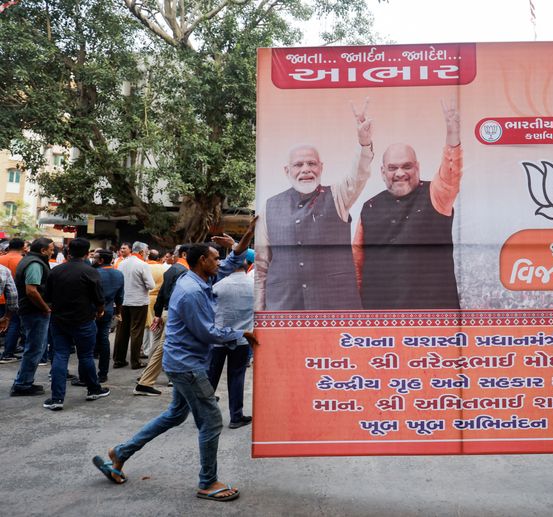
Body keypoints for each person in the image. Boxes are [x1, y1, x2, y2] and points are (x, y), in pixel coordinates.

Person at [93, 218, 258, 502]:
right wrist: (241, 333)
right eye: (216, 258)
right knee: (212, 421)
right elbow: (209, 332)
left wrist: (246, 237)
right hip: (187, 366)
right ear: (203, 260)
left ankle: (120, 453)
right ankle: (207, 482)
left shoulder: (201, 278)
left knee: (175, 415)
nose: (221, 263)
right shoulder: (192, 290)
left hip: (183, 361)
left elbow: (234, 260)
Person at [254, 100, 373, 311]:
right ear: (287, 170)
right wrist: (259, 316)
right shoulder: (270, 207)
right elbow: (262, 266)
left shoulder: (338, 195)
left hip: (335, 309)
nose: (306, 169)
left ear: (321, 167)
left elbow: (358, 175)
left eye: (311, 163)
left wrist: (364, 144)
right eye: (298, 164)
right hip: (286, 308)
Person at [354, 99, 462, 310]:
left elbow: (451, 173)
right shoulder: (369, 207)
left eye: (407, 166)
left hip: (433, 318)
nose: (400, 173)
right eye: (393, 168)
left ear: (417, 168)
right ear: (383, 172)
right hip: (380, 319)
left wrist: (453, 138)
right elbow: (357, 262)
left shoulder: (436, 194)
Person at [43, 238, 110, 410]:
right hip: (84, 320)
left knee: (60, 356)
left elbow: (48, 297)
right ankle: (93, 389)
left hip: (59, 320)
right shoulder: (91, 272)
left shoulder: (56, 271)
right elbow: (99, 298)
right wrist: (100, 310)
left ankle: (57, 399)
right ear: (87, 254)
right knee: (85, 355)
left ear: (68, 252)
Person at [207, 251, 254, 428]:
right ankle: (236, 416)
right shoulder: (254, 285)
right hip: (243, 338)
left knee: (211, 376)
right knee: (237, 377)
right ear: (245, 266)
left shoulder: (219, 285)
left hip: (217, 338)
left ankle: (205, 415)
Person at [135, 244, 190, 396]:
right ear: (185, 255)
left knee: (158, 345)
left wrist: (158, 314)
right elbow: (174, 296)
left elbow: (162, 293)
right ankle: (145, 382)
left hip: (165, 312)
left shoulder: (172, 269)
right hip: (172, 314)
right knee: (164, 347)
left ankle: (145, 378)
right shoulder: (183, 271)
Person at [10, 238, 54, 396]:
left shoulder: (30, 260)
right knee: (35, 348)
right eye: (50, 249)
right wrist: (45, 307)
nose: (52, 252)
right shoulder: (35, 264)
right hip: (34, 311)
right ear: (43, 250)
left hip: (32, 310)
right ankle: (22, 384)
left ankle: (24, 381)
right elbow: (31, 290)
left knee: (35, 347)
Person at [113, 241, 155, 369]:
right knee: (136, 331)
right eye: (147, 251)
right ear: (142, 252)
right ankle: (135, 361)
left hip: (124, 301)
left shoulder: (121, 263)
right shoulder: (142, 265)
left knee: (122, 331)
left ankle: (119, 360)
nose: (147, 254)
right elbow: (151, 285)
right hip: (139, 302)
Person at [93, 249, 124, 383]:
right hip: (109, 309)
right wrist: (118, 311)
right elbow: (120, 296)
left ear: (100, 260)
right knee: (104, 339)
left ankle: (86, 373)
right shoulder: (118, 274)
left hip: (92, 310)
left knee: (90, 339)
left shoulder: (95, 273)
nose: (93, 260)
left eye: (95, 258)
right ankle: (103, 373)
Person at [0, 238, 26, 362]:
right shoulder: (23, 261)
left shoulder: (1, 259)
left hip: (1, 298)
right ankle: (8, 353)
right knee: (12, 324)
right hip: (12, 298)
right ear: (23, 247)